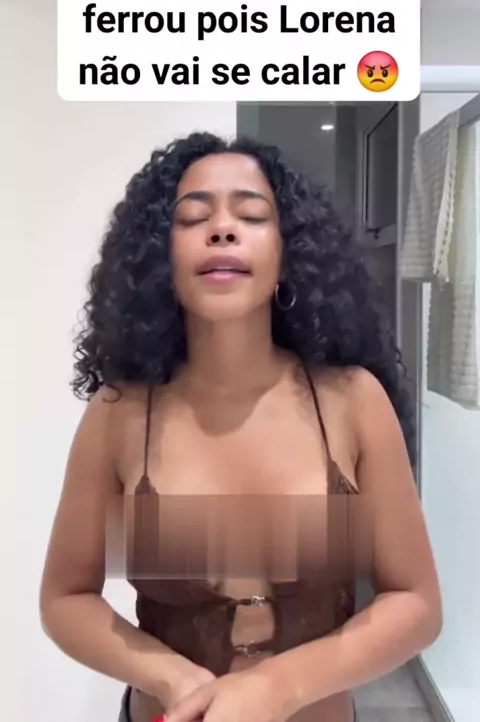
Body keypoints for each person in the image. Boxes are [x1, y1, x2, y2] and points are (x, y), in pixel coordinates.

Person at [40, 132, 442, 722]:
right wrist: (174, 678)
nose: (223, 229)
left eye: (252, 215)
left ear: (288, 253)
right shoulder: (120, 413)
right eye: (193, 218)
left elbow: (417, 603)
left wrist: (276, 688)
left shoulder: (353, 401)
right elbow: (65, 598)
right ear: (159, 258)